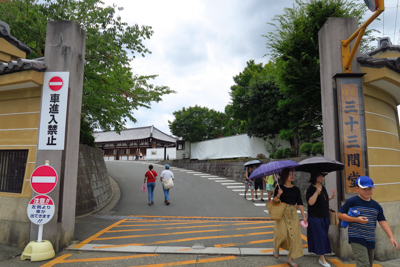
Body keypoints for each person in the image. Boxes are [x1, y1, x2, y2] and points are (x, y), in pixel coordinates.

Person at [338, 176, 398, 267]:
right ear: (357, 188)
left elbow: (383, 221)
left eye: (370, 189)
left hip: (370, 238)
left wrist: (391, 237)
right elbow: (340, 214)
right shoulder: (352, 201)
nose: (367, 191)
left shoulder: (376, 205)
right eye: (364, 188)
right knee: (364, 265)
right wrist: (356, 219)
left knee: (368, 265)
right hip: (356, 237)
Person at [273, 167, 307, 267]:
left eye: (292, 174)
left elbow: (300, 203)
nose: (292, 176)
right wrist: (278, 195)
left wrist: (304, 217)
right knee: (281, 234)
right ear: (284, 176)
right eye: (289, 174)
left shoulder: (296, 189)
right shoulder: (279, 188)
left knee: (294, 236)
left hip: (292, 213)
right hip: (282, 213)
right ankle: (276, 246)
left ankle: (291, 259)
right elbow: (274, 201)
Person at [306, 172, 337, 267]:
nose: (321, 178)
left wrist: (332, 197)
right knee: (320, 236)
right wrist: (316, 192)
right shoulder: (311, 189)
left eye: (322, 176)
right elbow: (310, 202)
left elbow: (324, 198)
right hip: (315, 216)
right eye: (320, 176)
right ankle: (322, 259)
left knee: (323, 236)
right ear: (315, 177)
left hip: (325, 216)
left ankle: (317, 252)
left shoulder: (322, 187)